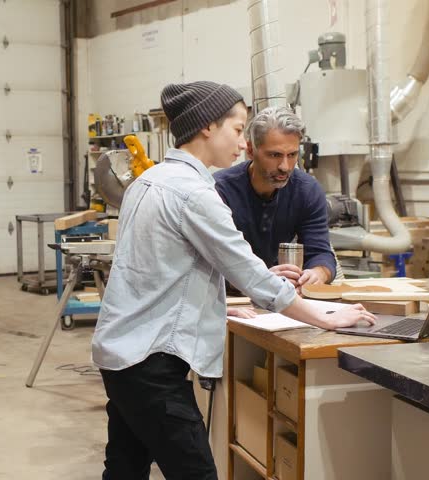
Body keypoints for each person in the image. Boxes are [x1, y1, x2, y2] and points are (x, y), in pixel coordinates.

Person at [91, 81, 375, 479]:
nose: (242, 143)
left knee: (124, 469)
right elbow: (249, 274)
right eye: (238, 129)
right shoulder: (194, 194)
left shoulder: (149, 181)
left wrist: (256, 277)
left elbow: (197, 266)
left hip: (121, 354)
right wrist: (325, 317)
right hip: (151, 364)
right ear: (208, 127)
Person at [214, 106, 336, 292]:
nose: (285, 167)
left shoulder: (307, 191)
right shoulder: (219, 191)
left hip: (278, 296)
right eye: (274, 155)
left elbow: (320, 252)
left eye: (292, 155)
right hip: (230, 299)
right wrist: (260, 279)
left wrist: (317, 273)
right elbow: (210, 264)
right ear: (250, 150)